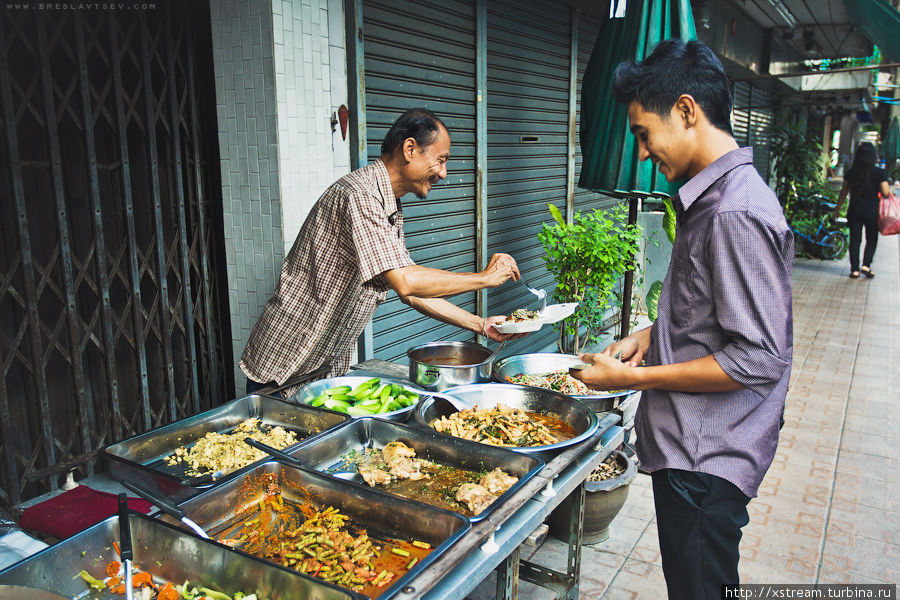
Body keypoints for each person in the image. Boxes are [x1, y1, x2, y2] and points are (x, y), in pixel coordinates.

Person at [571, 39, 793, 600]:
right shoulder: (714, 199)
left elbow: (757, 358)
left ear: (687, 111)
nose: (642, 153)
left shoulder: (734, 211)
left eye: (644, 133)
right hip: (699, 455)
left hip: (706, 464)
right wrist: (653, 336)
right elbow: (720, 313)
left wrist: (633, 381)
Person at [241, 108, 522, 394]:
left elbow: (412, 292)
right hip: (286, 365)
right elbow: (407, 282)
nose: (443, 173)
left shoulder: (387, 204)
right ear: (410, 148)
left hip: (322, 366)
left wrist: (481, 324)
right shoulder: (361, 196)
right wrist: (484, 278)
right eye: (440, 160)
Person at [833, 142, 890, 278]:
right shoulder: (879, 173)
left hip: (855, 211)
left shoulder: (851, 173)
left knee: (855, 240)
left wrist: (837, 210)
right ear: (873, 157)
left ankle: (855, 269)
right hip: (872, 212)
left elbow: (843, 193)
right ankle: (866, 265)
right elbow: (886, 192)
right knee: (871, 238)